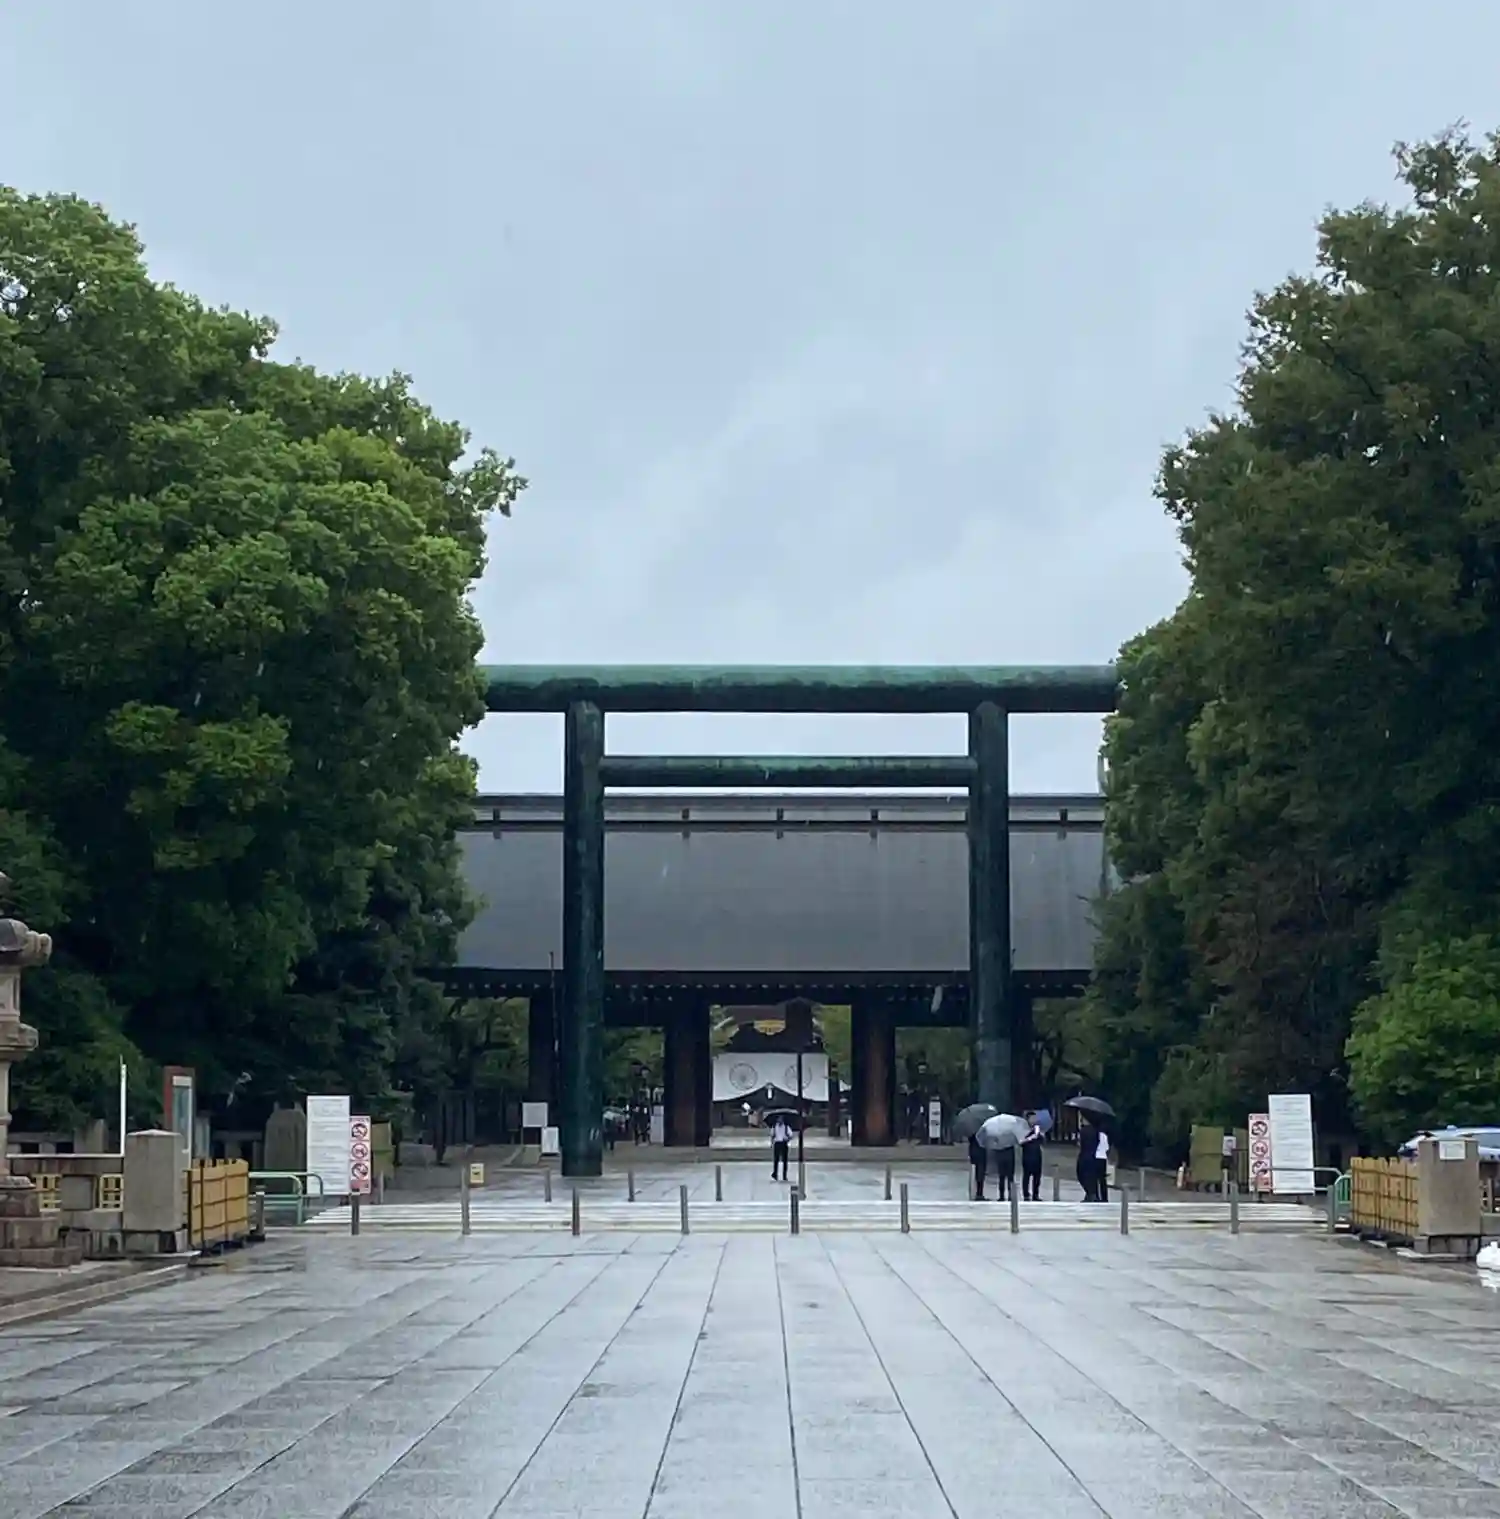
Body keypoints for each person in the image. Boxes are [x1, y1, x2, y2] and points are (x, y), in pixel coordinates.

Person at [1021, 1110, 1045, 1201]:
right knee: (1026, 1176)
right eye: (1032, 1118)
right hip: (1027, 1156)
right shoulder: (1024, 1129)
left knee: (1037, 1176)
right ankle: (1026, 1194)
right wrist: (1031, 1136)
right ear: (1028, 1119)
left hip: (1037, 1155)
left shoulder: (1038, 1129)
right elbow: (1021, 1142)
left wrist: (1041, 1135)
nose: (1034, 1120)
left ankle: (1036, 1194)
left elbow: (1042, 1142)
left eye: (1035, 1118)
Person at [1077, 1117, 1099, 1201]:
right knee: (1091, 1176)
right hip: (1093, 1155)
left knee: (1082, 1175)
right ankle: (1091, 1193)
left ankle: (1090, 1193)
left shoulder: (1083, 1131)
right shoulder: (1095, 1130)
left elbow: (1081, 1144)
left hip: (1084, 1155)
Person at [968, 1132, 989, 1200]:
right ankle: (979, 1193)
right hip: (981, 1154)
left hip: (974, 1154)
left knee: (976, 1174)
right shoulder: (983, 1133)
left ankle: (975, 1193)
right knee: (980, 1174)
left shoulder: (971, 1134)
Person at [1094, 1122, 1111, 1202]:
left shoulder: (1094, 1135)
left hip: (1096, 1157)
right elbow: (1107, 1148)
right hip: (1103, 1158)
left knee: (1095, 1178)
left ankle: (1096, 1196)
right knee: (1102, 1179)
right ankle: (1104, 1197)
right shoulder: (1104, 1136)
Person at [770, 1116, 791, 1181]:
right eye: (778, 1118)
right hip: (777, 1143)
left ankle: (784, 1175)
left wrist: (787, 1139)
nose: (779, 1120)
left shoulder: (786, 1127)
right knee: (776, 1160)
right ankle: (775, 1174)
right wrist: (771, 1143)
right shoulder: (774, 1126)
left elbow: (791, 1135)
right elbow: (772, 1135)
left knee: (785, 1160)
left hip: (784, 1143)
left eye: (781, 1119)